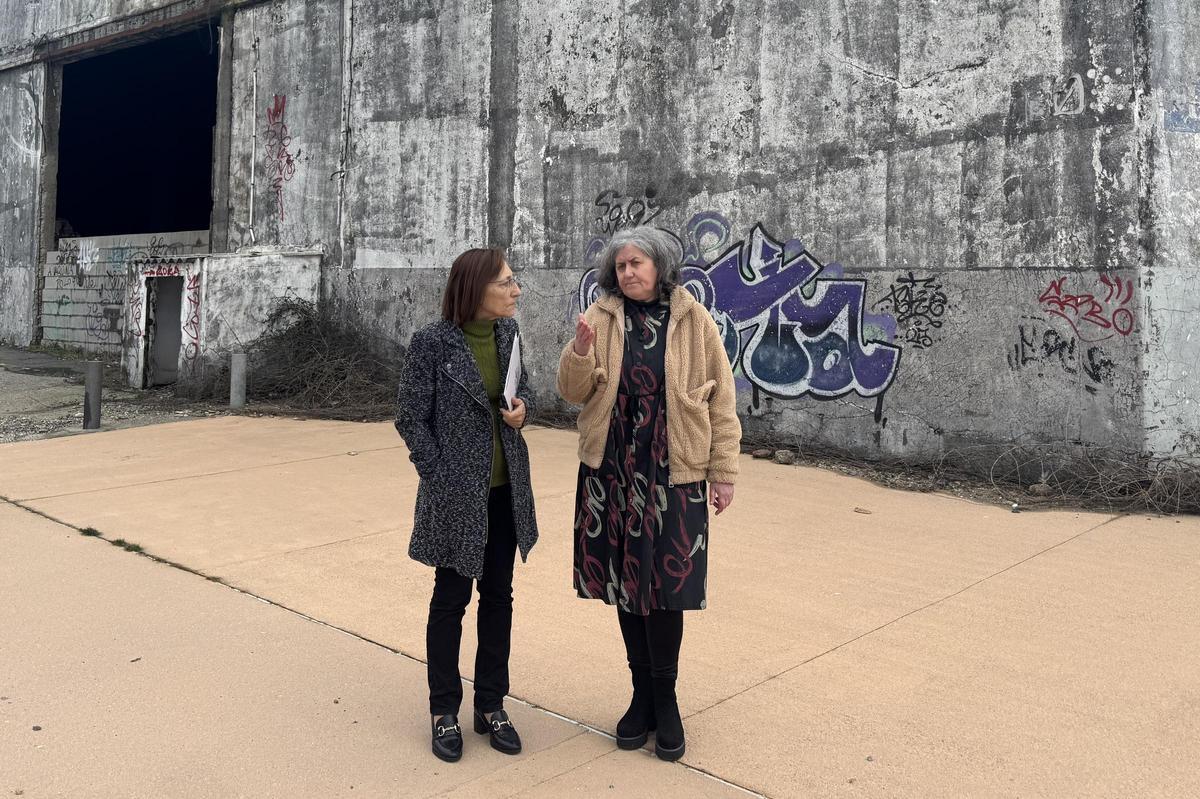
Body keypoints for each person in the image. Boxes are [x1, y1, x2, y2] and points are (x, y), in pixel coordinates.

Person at [557, 226, 741, 761]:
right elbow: (572, 391)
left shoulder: (693, 320)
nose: (628, 273)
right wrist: (580, 352)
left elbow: (721, 402)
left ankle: (667, 699)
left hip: (673, 473)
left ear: (659, 266)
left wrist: (723, 472)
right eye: (620, 266)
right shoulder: (599, 318)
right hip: (612, 470)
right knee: (626, 583)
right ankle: (640, 695)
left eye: (636, 263)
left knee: (666, 588)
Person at [395, 248, 538, 763]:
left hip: (505, 493)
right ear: (476, 288)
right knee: (450, 600)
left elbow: (528, 396)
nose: (515, 290)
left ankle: (491, 705)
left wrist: (522, 413)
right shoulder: (432, 344)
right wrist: (439, 477)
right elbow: (411, 418)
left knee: (499, 597)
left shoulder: (510, 336)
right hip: (456, 496)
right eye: (506, 282)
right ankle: (443, 711)